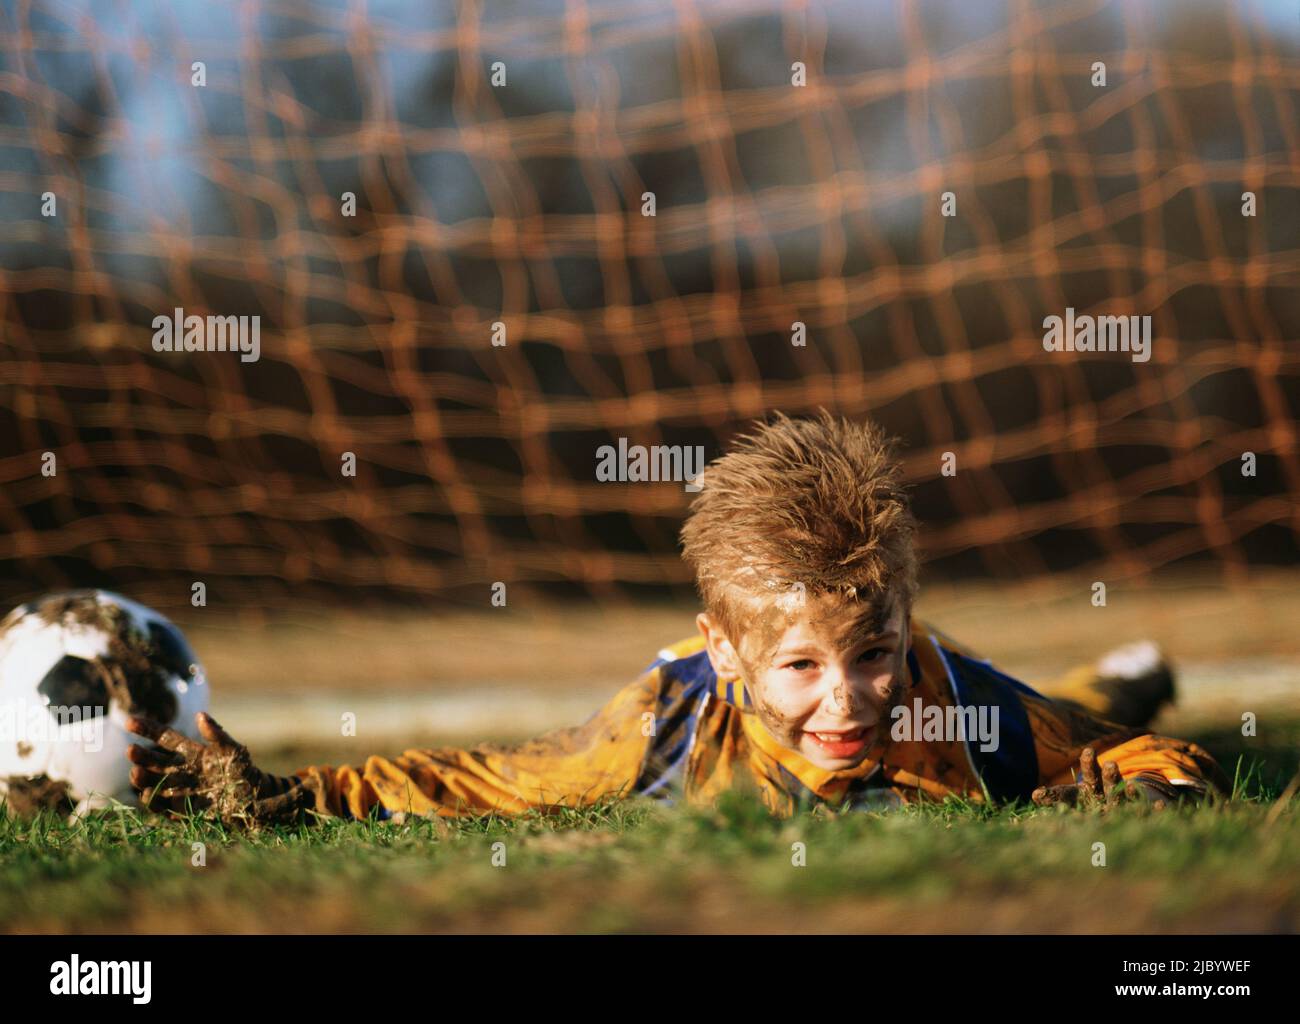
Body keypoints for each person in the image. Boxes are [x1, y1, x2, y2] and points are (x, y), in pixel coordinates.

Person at [126, 412, 1228, 826]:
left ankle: (1115, 673)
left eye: (871, 653)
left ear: (906, 622)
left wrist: (1145, 788)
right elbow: (485, 781)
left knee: (1067, 719)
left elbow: (1148, 767)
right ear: (726, 648)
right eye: (798, 665)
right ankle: (1113, 669)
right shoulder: (667, 721)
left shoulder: (947, 701)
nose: (845, 699)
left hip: (994, 696)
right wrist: (295, 795)